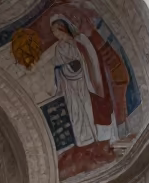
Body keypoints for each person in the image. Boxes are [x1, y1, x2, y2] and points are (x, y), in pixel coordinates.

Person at [49, 15, 115, 148]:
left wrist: (73, 67)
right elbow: (58, 67)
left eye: (56, 31)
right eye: (53, 32)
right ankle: (84, 140)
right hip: (69, 86)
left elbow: (88, 60)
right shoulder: (59, 47)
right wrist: (65, 69)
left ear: (62, 29)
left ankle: (97, 137)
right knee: (75, 111)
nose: (54, 34)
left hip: (84, 82)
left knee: (89, 108)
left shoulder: (79, 41)